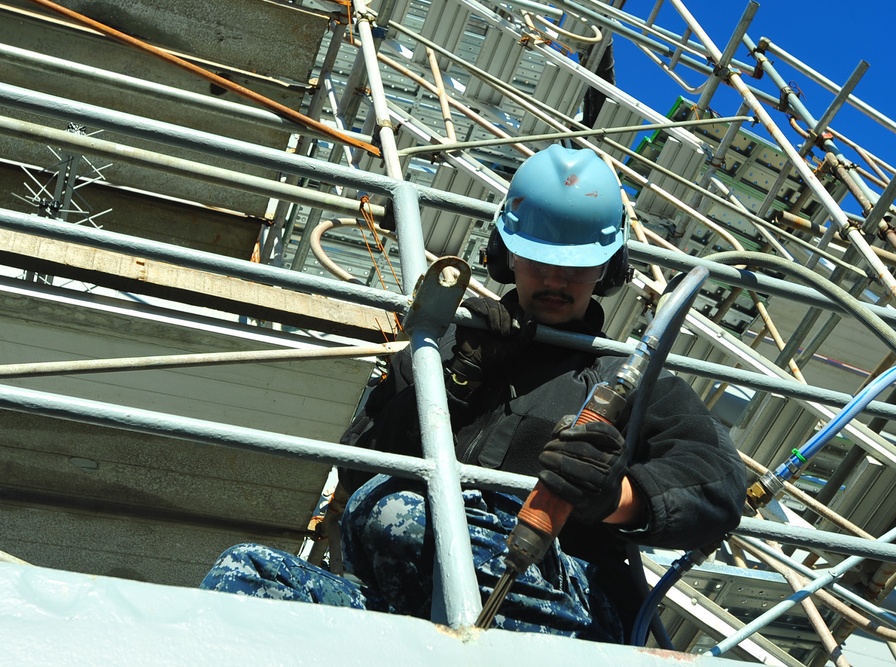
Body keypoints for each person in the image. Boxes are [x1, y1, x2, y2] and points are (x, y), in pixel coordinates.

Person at [200, 145, 747, 643]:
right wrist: (459, 380)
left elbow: (718, 482)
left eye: (576, 267)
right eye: (539, 259)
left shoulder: (628, 381)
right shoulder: (444, 347)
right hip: (414, 610)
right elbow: (357, 471)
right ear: (507, 255)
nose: (556, 279)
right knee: (251, 574)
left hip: (562, 612)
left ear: (607, 268)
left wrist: (613, 498)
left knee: (401, 514)